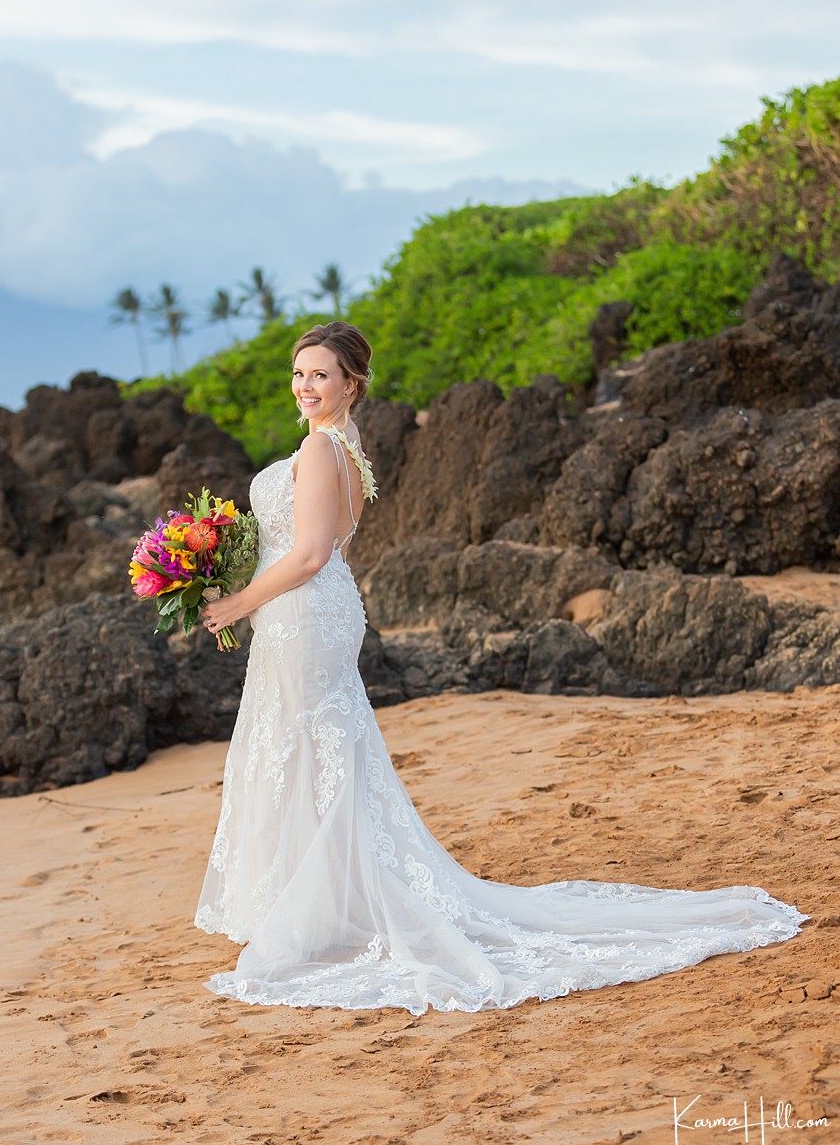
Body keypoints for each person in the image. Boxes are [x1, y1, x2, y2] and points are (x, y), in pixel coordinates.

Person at [194, 321, 808, 1015]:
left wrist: (238, 599)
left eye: (320, 374)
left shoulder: (319, 447)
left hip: (305, 609)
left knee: (305, 745)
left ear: (351, 383)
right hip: (318, 609)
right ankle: (318, 902)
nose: (306, 386)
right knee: (318, 748)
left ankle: (322, 912)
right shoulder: (347, 446)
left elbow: (307, 553)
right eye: (299, 373)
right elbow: (321, 546)